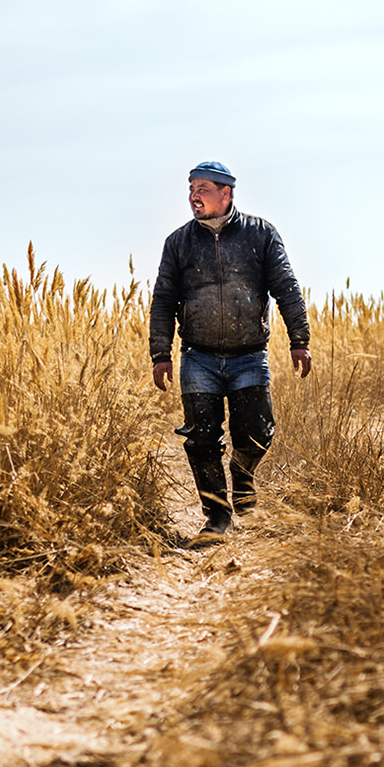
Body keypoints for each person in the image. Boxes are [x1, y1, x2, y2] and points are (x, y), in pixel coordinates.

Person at [149, 161, 312, 544]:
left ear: (226, 193)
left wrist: (299, 340)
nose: (193, 195)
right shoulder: (178, 242)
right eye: (191, 188)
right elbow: (163, 301)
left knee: (256, 433)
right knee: (202, 439)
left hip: (249, 355)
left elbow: (286, 287)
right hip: (198, 356)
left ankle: (242, 476)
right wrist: (161, 353)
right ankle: (217, 517)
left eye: (202, 188)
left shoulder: (260, 235)